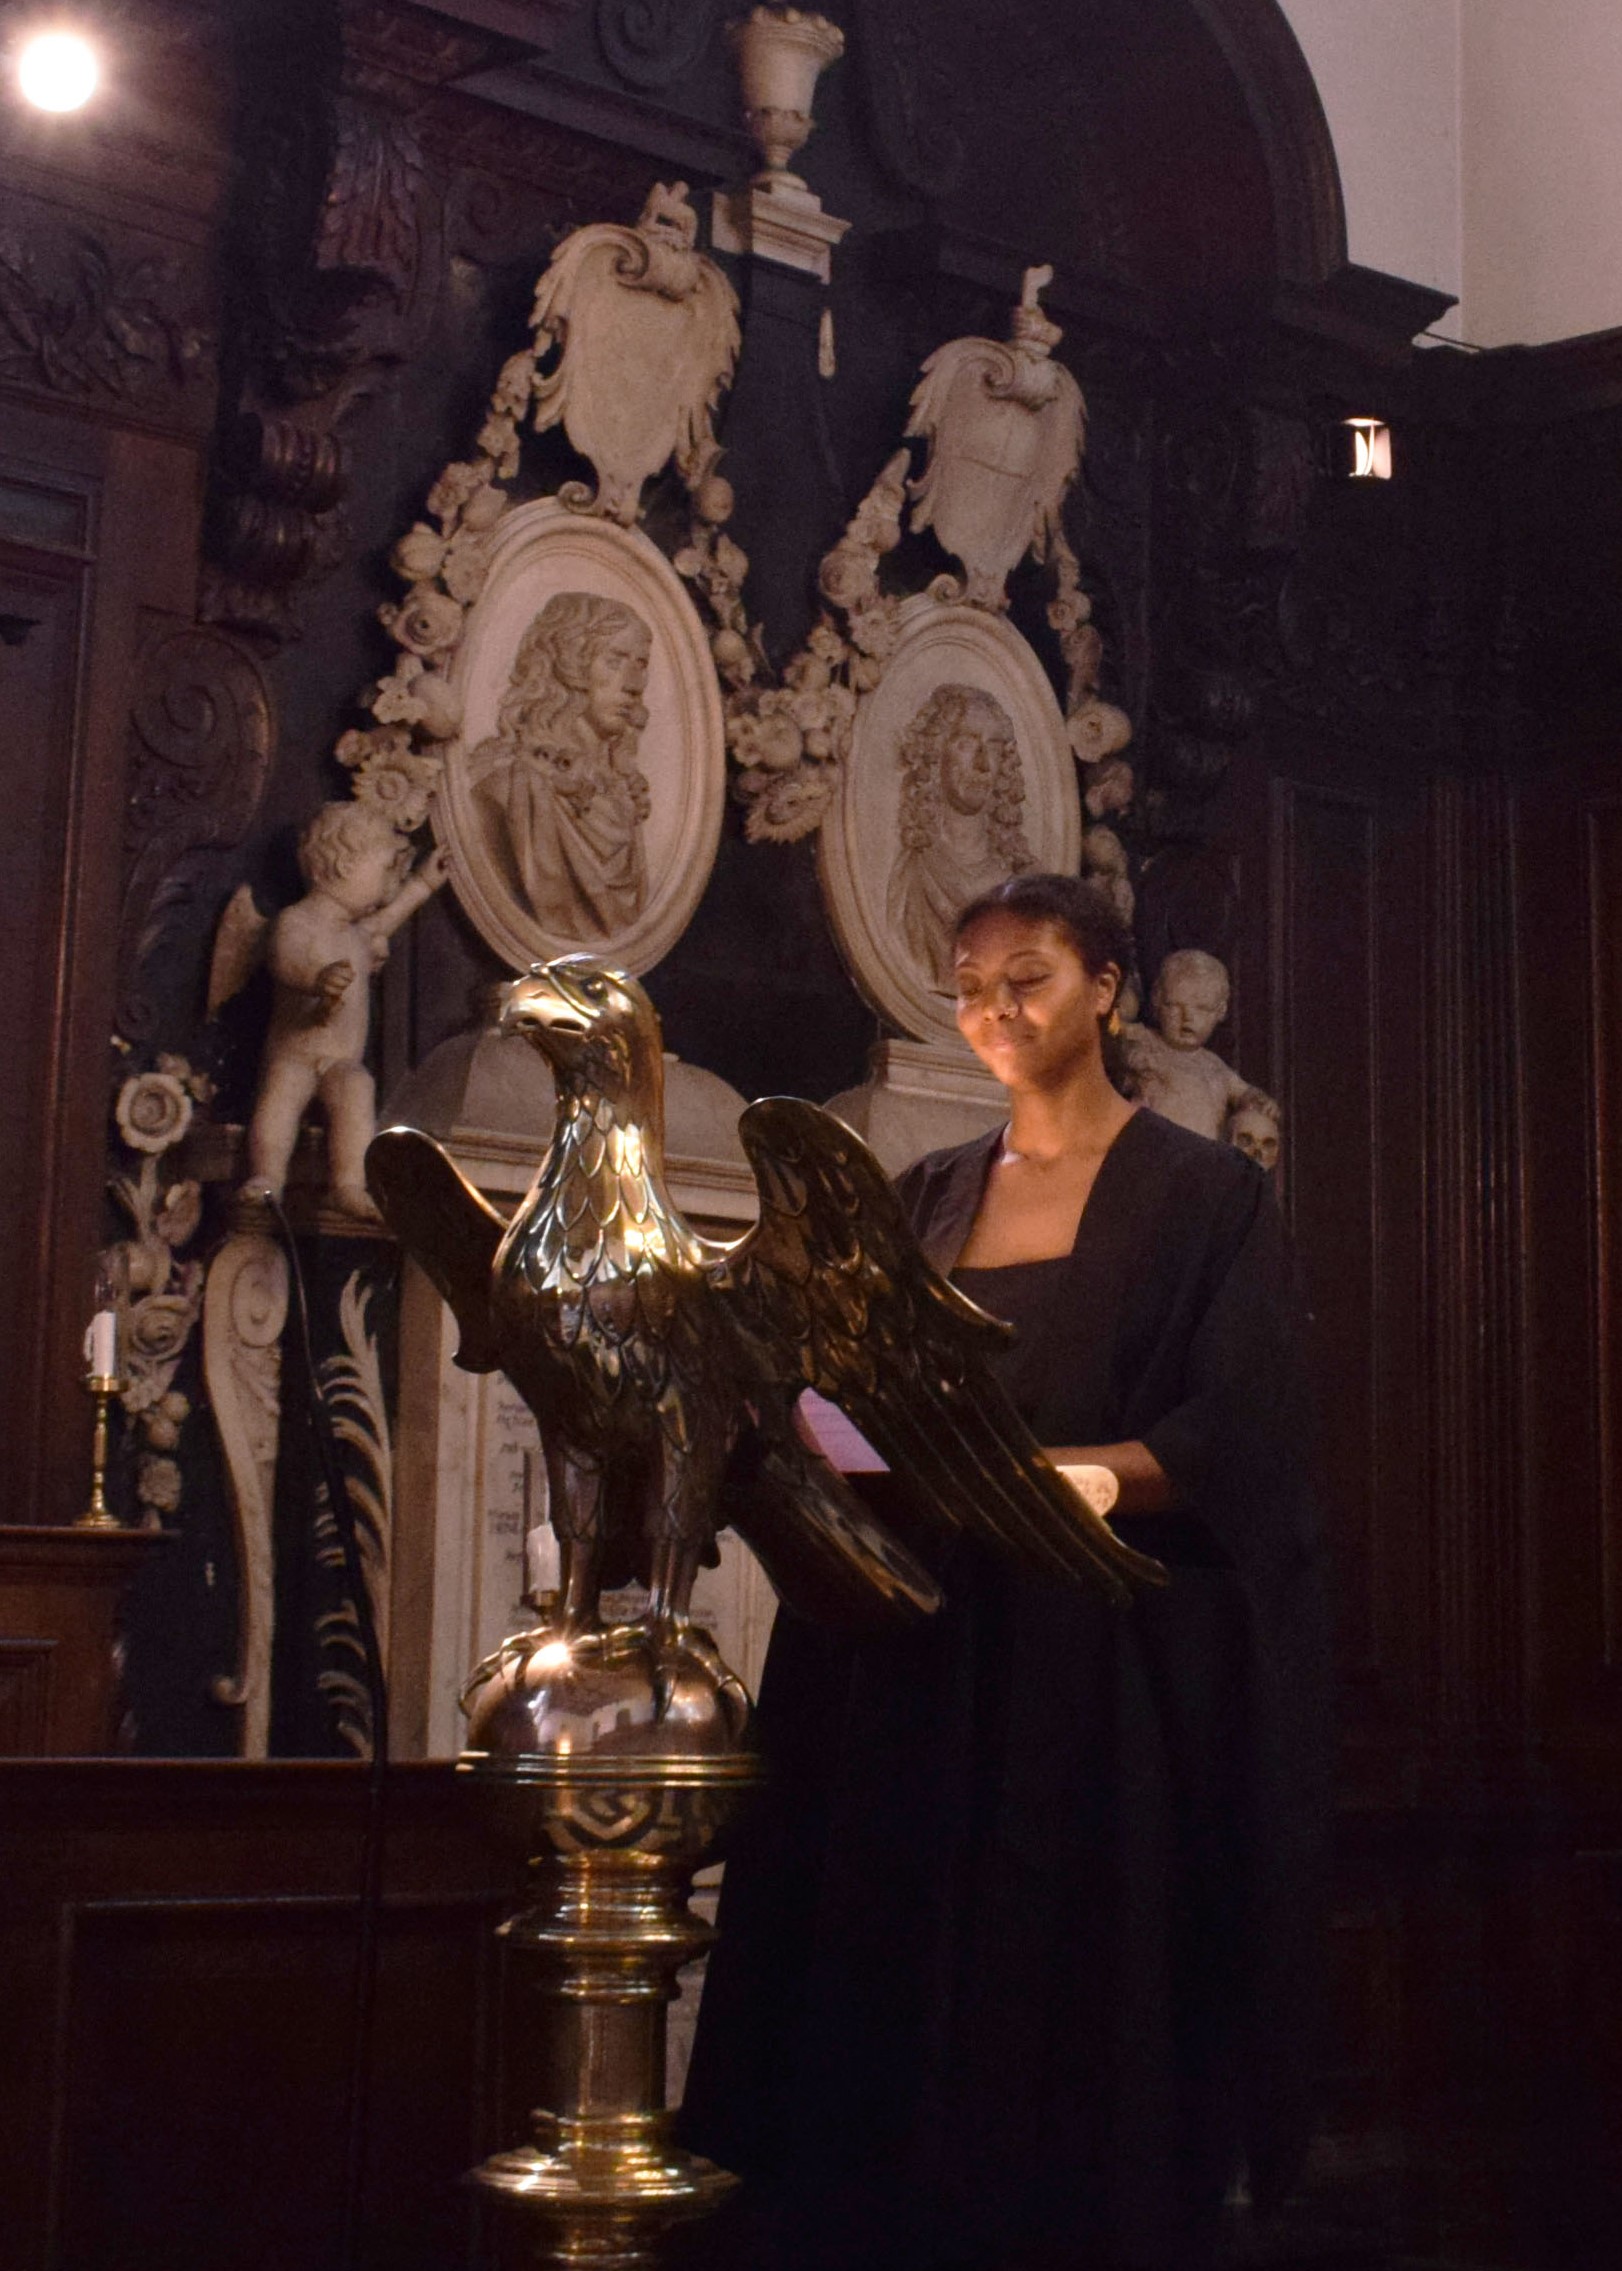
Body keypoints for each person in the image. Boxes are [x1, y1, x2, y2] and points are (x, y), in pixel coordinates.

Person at [680, 871, 1327, 2271]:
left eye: (1023, 975)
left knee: (1080, 1984)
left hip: (1093, 1663)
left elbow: (1244, 1425)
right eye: (969, 984)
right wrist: (799, 1428)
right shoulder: (922, 1194)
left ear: (1105, 987)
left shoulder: (1209, 1194)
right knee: (889, 1966)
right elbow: (845, 1393)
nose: (991, 1007)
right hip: (914, 1647)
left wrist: (1075, 1477)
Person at [243, 801, 446, 1219]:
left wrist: (424, 884)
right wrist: (316, 979)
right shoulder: (297, 920)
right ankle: (266, 1177)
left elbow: (389, 918)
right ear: (342, 864)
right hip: (295, 1055)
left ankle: (348, 1184)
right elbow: (284, 958)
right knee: (279, 1098)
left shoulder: (356, 932)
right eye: (383, 869)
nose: (389, 882)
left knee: (358, 1088)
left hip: (340, 1060)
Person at [470, 590, 652, 942]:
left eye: (641, 665)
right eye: (614, 661)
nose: (634, 686)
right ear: (569, 667)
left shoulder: (621, 798)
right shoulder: (509, 788)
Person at [887, 683, 1034, 993]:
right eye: (966, 744)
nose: (983, 764)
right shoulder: (912, 877)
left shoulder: (1025, 882)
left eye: (993, 747)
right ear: (936, 755)